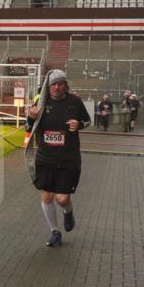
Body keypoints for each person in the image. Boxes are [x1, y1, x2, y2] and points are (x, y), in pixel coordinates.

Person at [26, 69, 91, 248]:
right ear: (48, 86)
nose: (56, 88)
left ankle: (68, 211)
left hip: (68, 158)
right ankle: (55, 231)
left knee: (62, 198)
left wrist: (79, 124)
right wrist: (31, 118)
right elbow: (28, 127)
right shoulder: (41, 102)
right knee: (47, 196)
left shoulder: (75, 102)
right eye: (53, 84)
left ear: (65, 85)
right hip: (45, 158)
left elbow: (87, 121)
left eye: (60, 84)